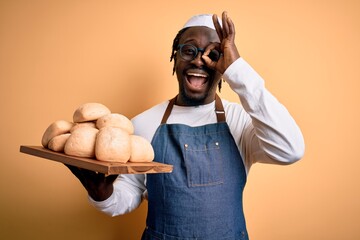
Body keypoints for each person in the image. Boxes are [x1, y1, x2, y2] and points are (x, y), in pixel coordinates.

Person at [68, 11, 305, 240]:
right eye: (189, 50)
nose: (199, 60)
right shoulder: (143, 123)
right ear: (175, 57)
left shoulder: (240, 121)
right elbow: (129, 193)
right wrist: (103, 196)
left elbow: (290, 149)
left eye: (213, 55)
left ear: (224, 64)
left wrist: (238, 70)